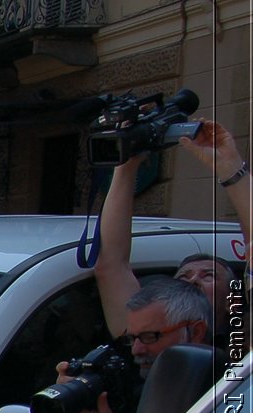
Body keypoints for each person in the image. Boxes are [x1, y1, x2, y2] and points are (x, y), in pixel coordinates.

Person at [95, 118, 250, 343]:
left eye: (209, 276)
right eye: (183, 277)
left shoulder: (243, 354)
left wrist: (230, 167)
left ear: (231, 301)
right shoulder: (143, 335)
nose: (193, 280)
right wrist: (126, 165)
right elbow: (111, 266)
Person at [52, 277, 211, 413]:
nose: (137, 349)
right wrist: (68, 400)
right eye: (132, 338)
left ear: (196, 331)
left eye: (149, 336)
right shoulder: (139, 387)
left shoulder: (224, 396)